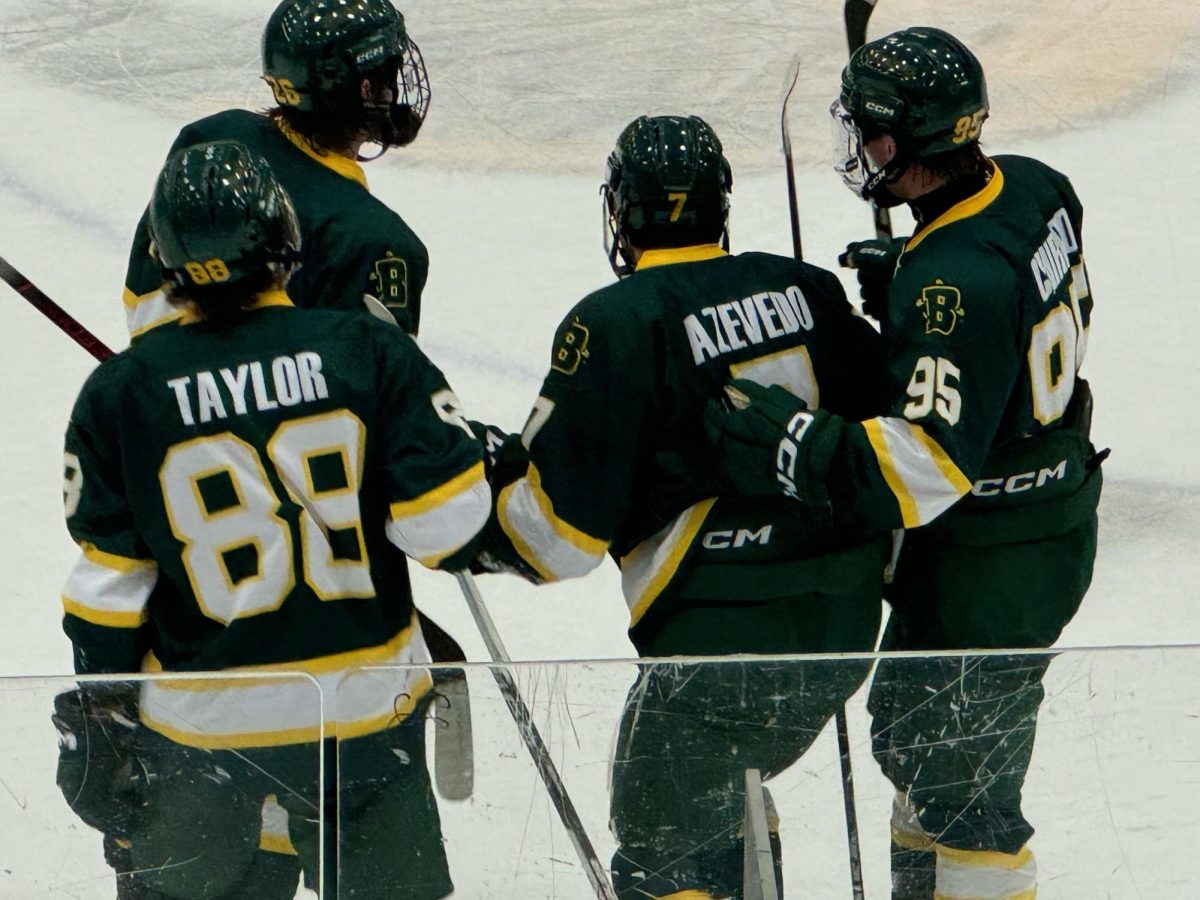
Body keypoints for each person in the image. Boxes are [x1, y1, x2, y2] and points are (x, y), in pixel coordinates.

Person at [705, 26, 1105, 900]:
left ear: (907, 138)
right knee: (928, 748)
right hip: (1049, 506)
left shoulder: (953, 282)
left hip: (993, 552)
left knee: (966, 791)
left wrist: (796, 443)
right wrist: (923, 281)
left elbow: (918, 474)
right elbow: (1014, 297)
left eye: (870, 130)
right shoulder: (1037, 186)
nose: (860, 146)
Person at [54, 140, 489, 900]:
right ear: (284, 241)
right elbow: (445, 529)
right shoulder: (366, 350)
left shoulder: (121, 393)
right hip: (364, 712)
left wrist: (102, 707)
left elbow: (109, 593)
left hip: (204, 734)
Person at [473, 113, 891, 899]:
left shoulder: (617, 320)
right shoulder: (808, 287)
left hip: (715, 643)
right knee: (734, 785)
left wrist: (474, 499)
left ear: (621, 210)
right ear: (719, 204)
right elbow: (886, 446)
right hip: (843, 628)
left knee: (663, 850)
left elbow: (559, 540)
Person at [122, 0, 431, 340]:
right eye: (389, 67)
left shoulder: (209, 143)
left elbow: (143, 300)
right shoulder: (375, 241)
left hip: (158, 383)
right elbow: (378, 383)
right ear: (366, 88)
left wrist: (177, 376)